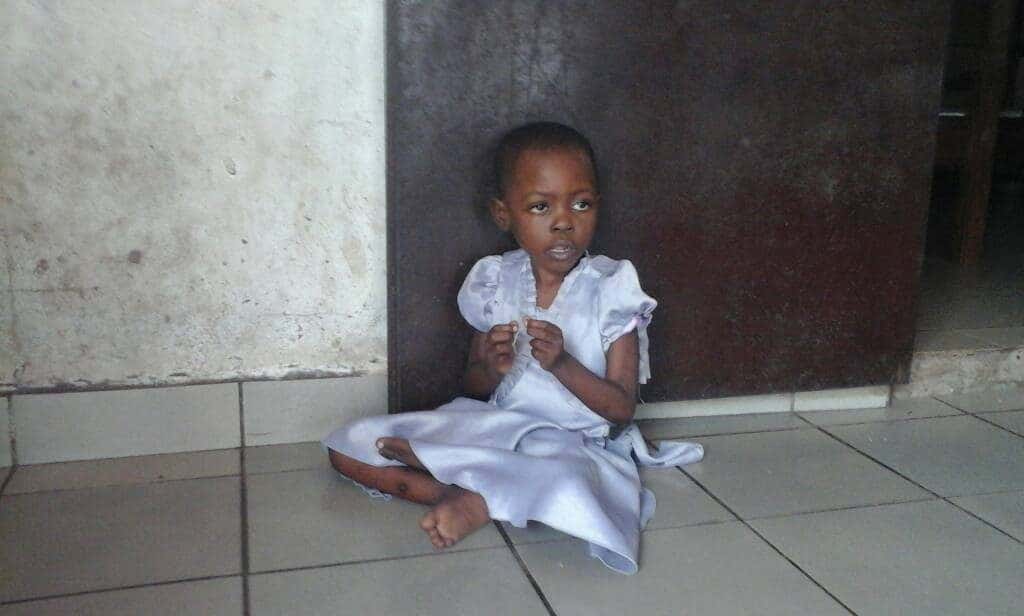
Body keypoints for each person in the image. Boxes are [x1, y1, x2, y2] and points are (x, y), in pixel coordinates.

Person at [322, 121, 703, 574]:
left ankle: (479, 492)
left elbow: (620, 412)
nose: (564, 221)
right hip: (498, 425)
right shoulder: (494, 280)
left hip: (572, 442)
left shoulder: (612, 288)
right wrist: (491, 367)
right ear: (505, 216)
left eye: (581, 204)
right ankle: (458, 493)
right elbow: (475, 388)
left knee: (567, 480)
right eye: (541, 206)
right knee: (348, 447)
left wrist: (563, 364)